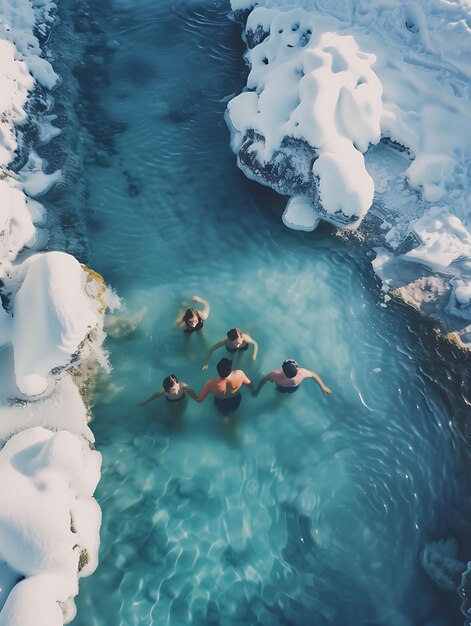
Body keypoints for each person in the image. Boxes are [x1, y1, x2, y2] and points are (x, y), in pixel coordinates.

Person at [253, 359, 332, 396]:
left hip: (281, 387)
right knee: (289, 392)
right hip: (294, 387)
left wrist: (257, 390)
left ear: (283, 369)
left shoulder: (274, 375)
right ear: (296, 369)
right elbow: (314, 375)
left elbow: (263, 381)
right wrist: (323, 387)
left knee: (279, 391)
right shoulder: (302, 372)